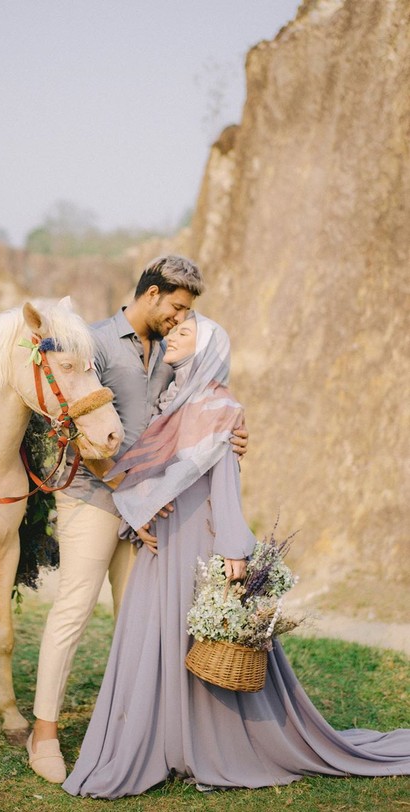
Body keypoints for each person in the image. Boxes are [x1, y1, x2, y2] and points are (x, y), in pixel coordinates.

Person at [63, 311, 410, 798]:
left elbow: (224, 481)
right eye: (173, 331)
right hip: (162, 539)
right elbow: (144, 475)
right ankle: (162, 741)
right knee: (153, 640)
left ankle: (209, 742)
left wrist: (232, 548)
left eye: (186, 333)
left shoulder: (221, 407)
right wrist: (138, 519)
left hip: (198, 543)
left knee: (197, 642)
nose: (173, 337)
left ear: (208, 350)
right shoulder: (175, 403)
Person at [27, 256, 249, 783]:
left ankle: (139, 735)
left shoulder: (174, 355)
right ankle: (44, 735)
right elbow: (72, 426)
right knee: (74, 609)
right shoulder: (96, 342)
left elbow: (193, 407)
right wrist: (126, 489)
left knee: (139, 622)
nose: (179, 319)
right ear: (150, 293)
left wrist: (230, 431)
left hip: (149, 507)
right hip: (94, 497)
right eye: (175, 307)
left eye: (187, 312)